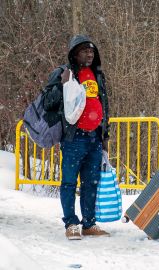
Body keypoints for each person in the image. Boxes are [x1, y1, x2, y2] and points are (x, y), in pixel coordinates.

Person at [43, 35, 110, 240]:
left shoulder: (97, 74)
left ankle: (89, 223)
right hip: (74, 138)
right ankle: (71, 223)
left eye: (91, 51)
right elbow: (48, 102)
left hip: (94, 138)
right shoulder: (64, 72)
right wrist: (61, 85)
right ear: (74, 54)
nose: (89, 54)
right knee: (70, 182)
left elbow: (105, 106)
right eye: (84, 51)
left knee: (91, 182)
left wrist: (105, 138)